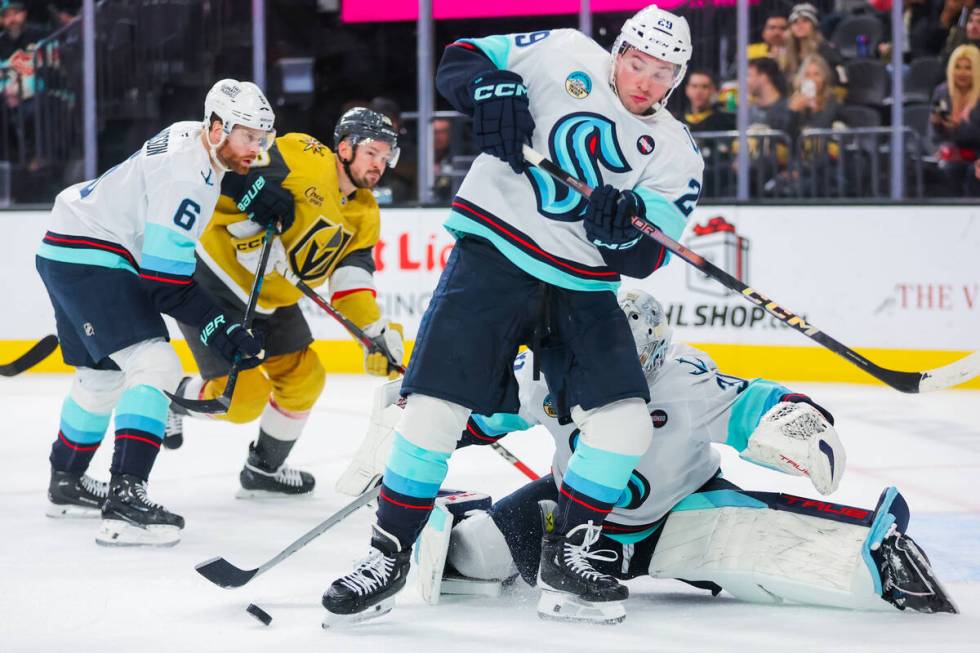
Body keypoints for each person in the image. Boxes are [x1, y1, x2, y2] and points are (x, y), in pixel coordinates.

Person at [320, 4, 704, 627]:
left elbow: (645, 257)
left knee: (626, 421)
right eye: (637, 63)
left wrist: (622, 231)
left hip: (581, 286)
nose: (645, 82)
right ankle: (386, 558)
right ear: (618, 50)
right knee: (434, 409)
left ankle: (571, 556)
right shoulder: (560, 49)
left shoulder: (675, 152)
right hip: (493, 256)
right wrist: (489, 89)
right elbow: (462, 59)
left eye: (663, 73)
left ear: (678, 78)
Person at [406, 289, 957, 617]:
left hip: (681, 510)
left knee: (760, 543)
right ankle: (463, 509)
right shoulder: (548, 372)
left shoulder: (682, 380)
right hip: (578, 513)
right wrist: (435, 427)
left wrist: (794, 418)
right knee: (473, 555)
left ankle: (880, 552)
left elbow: (751, 402)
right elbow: (486, 412)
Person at [35, 79, 274, 546]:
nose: (258, 149)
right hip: (93, 254)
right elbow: (166, 284)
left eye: (263, 139)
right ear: (220, 127)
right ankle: (126, 499)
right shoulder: (188, 179)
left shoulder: (191, 132)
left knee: (101, 376)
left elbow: (204, 176)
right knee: (156, 364)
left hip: (66, 243)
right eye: (250, 136)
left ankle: (65, 481)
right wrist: (221, 329)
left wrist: (247, 189)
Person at [165, 107, 405, 497]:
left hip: (274, 298)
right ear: (344, 147)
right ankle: (172, 402)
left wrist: (373, 330)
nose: (379, 165)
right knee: (240, 401)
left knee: (304, 378)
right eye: (372, 153)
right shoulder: (303, 155)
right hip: (215, 283)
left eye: (385, 157)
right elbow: (227, 167)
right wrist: (248, 223)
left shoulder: (365, 212)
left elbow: (350, 280)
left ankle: (264, 469)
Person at [930, 44, 980, 195]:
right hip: (951, 156)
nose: (962, 73)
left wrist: (958, 127)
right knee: (944, 168)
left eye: (968, 67)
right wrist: (937, 126)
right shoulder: (942, 93)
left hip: (976, 155)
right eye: (958, 67)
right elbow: (934, 137)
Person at [781, 3, 844, 84]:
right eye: (795, 22)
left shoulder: (825, 49)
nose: (800, 26)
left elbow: (835, 77)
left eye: (805, 21)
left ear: (813, 26)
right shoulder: (789, 51)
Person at [788, 54, 846, 133]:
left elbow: (821, 128)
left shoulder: (832, 103)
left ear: (824, 78)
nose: (812, 79)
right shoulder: (794, 103)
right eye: (807, 75)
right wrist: (793, 111)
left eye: (816, 74)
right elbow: (786, 134)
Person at [747, 57, 792, 132]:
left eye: (749, 75)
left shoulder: (788, 110)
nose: (746, 81)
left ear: (763, 77)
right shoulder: (748, 112)